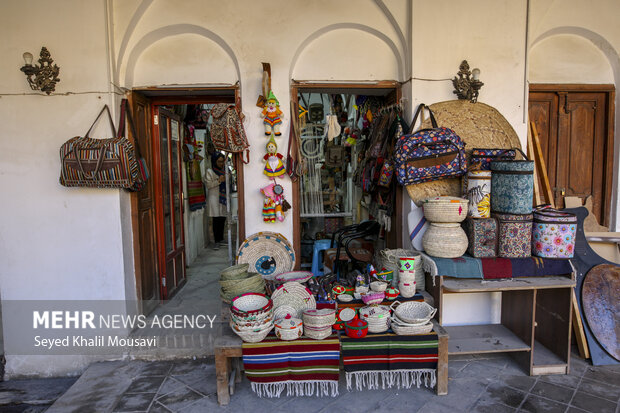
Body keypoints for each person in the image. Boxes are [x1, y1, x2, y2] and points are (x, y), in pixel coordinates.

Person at [203, 153, 227, 250]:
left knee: (222, 218)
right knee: (216, 219)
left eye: (222, 161)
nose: (221, 164)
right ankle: (216, 241)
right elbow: (208, 185)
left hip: (224, 198)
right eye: (219, 161)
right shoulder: (209, 171)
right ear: (214, 161)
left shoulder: (225, 170)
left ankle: (221, 239)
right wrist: (219, 181)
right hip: (214, 198)